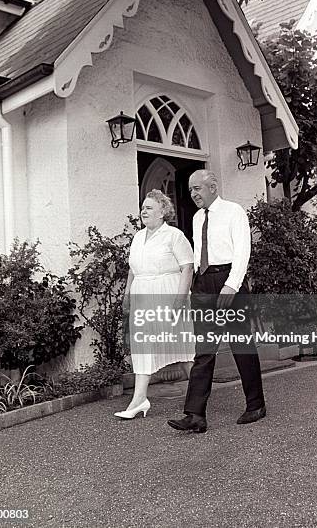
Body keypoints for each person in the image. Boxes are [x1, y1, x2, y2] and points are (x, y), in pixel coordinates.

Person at [167, 170, 266, 433]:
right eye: (190, 190)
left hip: (228, 280)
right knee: (204, 350)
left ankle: (256, 405)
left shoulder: (234, 212)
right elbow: (200, 254)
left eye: (197, 188)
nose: (193, 194)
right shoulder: (198, 217)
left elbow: (243, 251)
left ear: (213, 186)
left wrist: (231, 285)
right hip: (204, 285)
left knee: (241, 345)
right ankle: (195, 415)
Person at [114, 189, 195, 419]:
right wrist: (127, 294)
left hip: (167, 295)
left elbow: (187, 267)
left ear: (162, 212)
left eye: (149, 207)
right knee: (143, 346)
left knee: (181, 347)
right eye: (142, 207)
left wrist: (180, 301)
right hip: (142, 295)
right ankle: (139, 400)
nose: (143, 211)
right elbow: (133, 269)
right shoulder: (138, 237)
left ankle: (198, 394)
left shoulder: (174, 236)